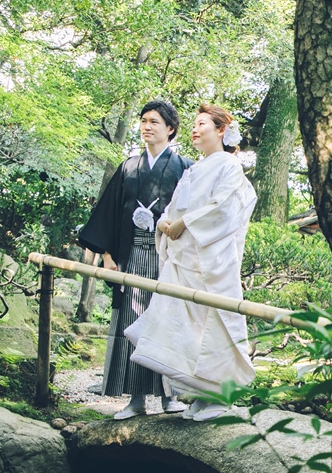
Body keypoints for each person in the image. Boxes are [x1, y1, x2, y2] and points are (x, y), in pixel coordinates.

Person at [125, 103, 257, 421]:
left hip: (212, 263)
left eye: (202, 124)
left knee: (215, 327)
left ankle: (222, 394)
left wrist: (184, 224)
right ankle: (202, 392)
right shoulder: (195, 168)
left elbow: (223, 209)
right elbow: (175, 208)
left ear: (221, 130)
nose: (195, 130)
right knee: (184, 326)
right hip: (185, 259)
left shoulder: (229, 166)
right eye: (194, 125)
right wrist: (164, 223)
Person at [78, 100, 193, 420]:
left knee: (168, 320)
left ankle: (171, 395)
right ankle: (136, 399)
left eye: (154, 121)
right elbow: (110, 214)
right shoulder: (129, 166)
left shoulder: (185, 167)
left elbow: (195, 214)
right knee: (132, 322)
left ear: (170, 128)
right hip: (132, 252)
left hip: (169, 255)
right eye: (144, 121)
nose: (147, 126)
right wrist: (108, 255)